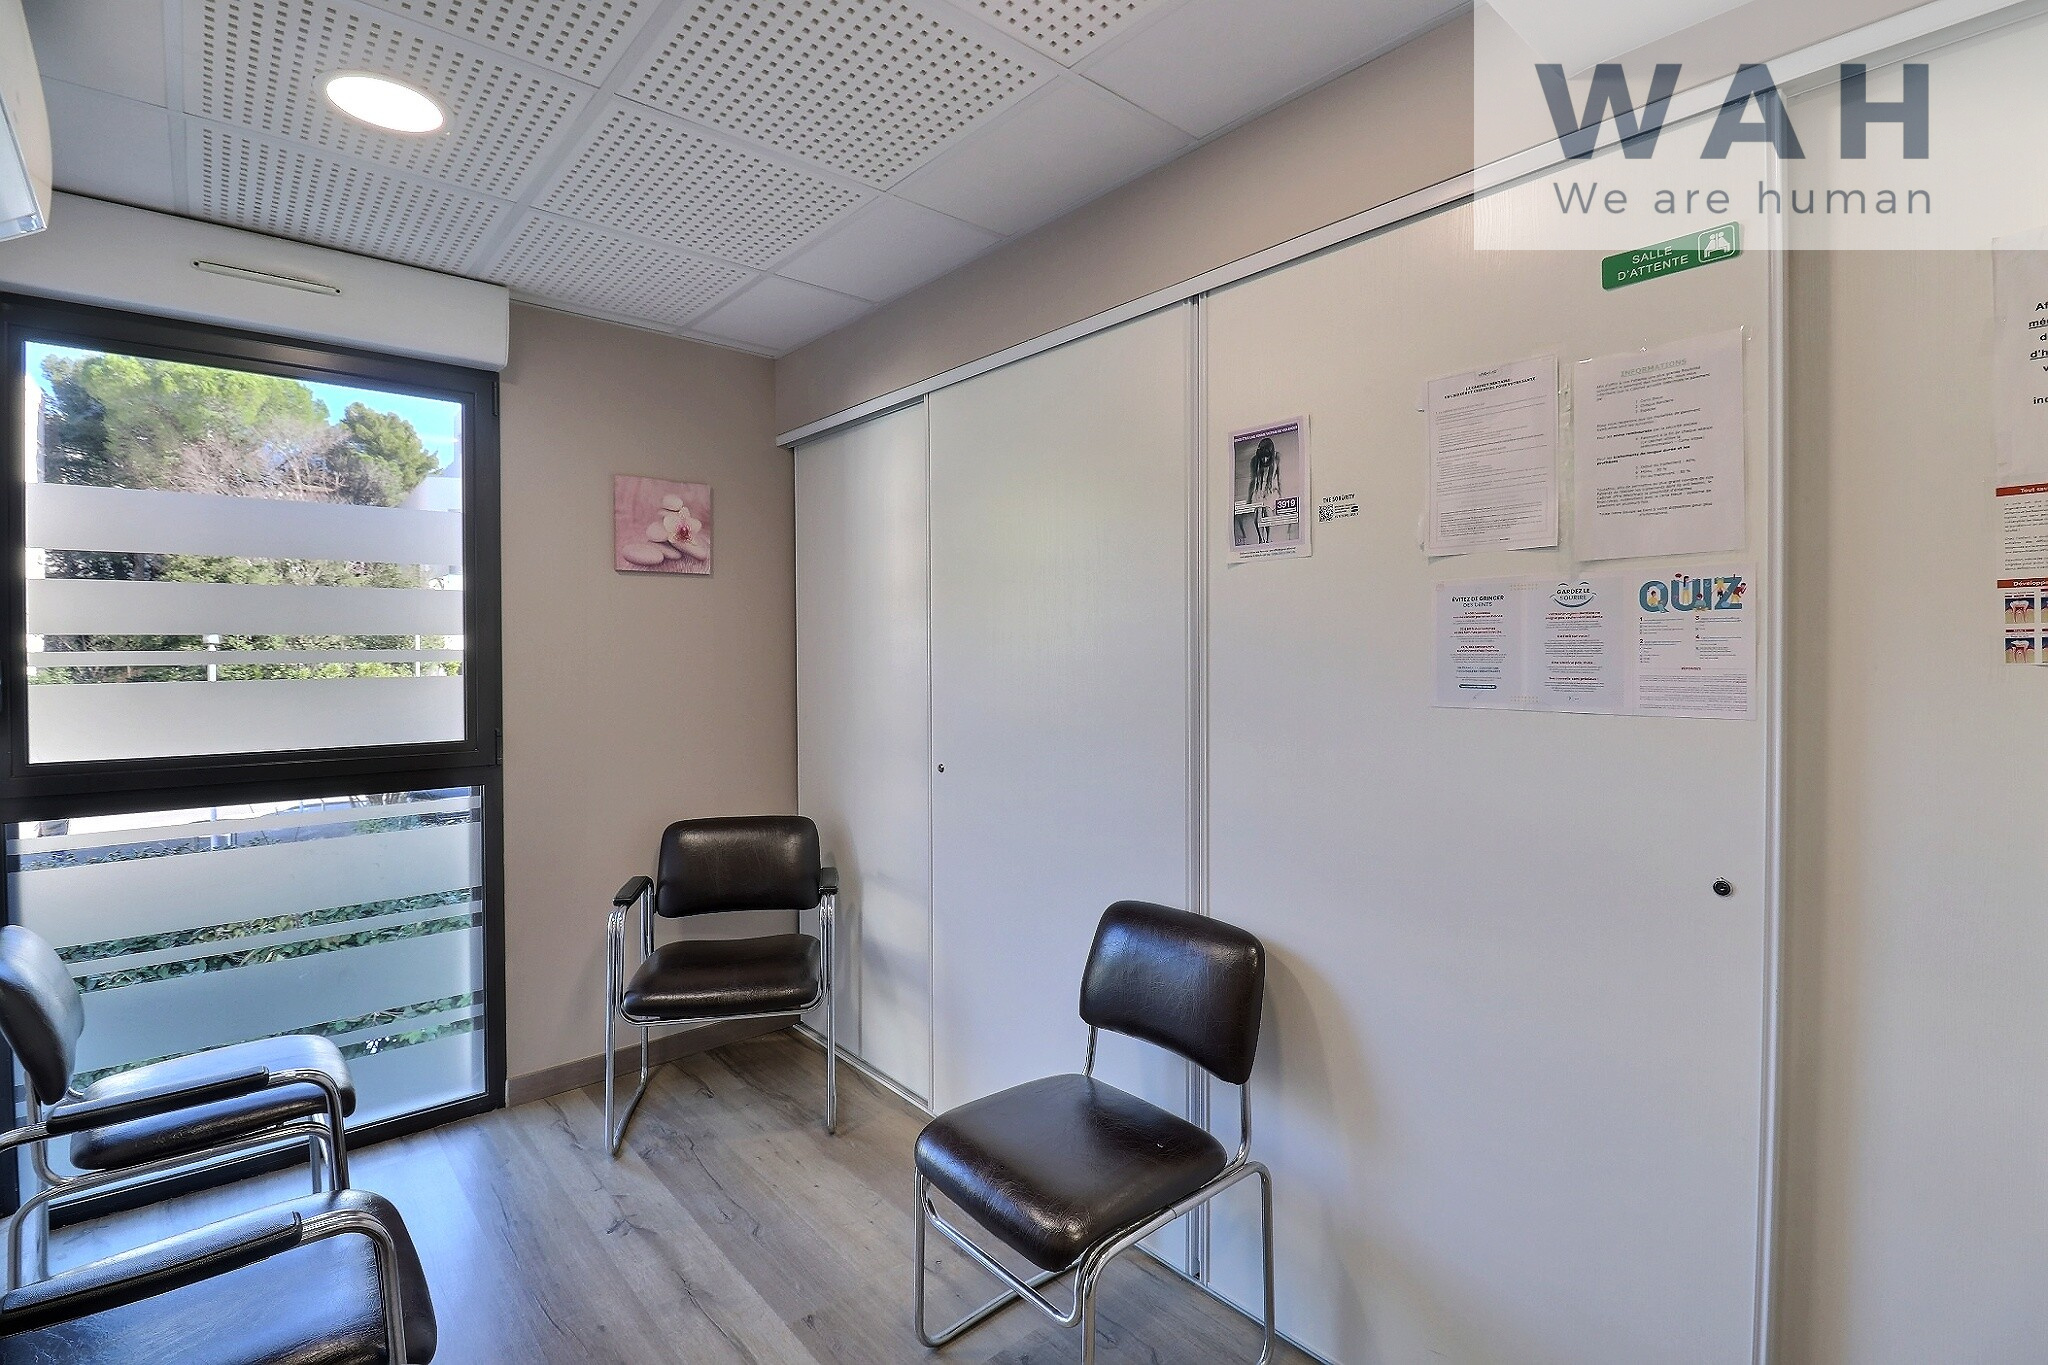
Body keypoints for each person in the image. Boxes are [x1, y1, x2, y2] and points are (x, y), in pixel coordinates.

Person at [1240, 436, 1283, 545]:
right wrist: (1249, 498)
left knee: (1268, 511)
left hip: (1271, 489)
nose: (1264, 460)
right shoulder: (1254, 460)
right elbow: (1253, 480)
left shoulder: (1277, 458)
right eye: (1262, 457)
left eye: (1267, 457)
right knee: (1257, 512)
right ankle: (1261, 539)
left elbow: (1280, 478)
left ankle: (1268, 539)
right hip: (1258, 488)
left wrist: (1281, 495)